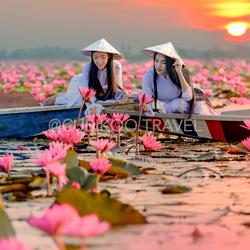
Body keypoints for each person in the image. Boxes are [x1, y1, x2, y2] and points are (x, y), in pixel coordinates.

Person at [44, 38, 129, 108]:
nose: (99, 61)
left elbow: (117, 88)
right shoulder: (87, 68)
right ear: (92, 57)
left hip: (104, 91)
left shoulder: (116, 66)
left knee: (120, 98)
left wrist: (124, 94)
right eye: (95, 58)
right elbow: (88, 90)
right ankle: (54, 99)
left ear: (109, 57)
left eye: (103, 58)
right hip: (84, 87)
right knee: (77, 100)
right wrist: (90, 100)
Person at [141, 42, 218, 117]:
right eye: (156, 61)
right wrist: (147, 108)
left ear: (170, 63)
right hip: (172, 106)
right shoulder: (149, 76)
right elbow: (147, 97)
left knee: (199, 107)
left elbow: (188, 96)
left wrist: (179, 73)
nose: (158, 65)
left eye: (163, 62)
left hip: (192, 99)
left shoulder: (177, 71)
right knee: (177, 105)